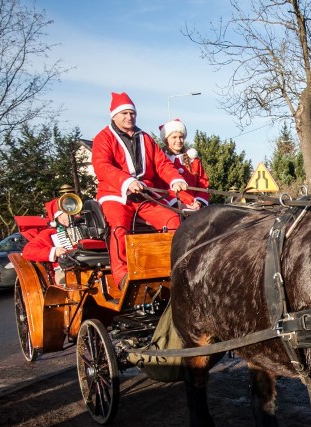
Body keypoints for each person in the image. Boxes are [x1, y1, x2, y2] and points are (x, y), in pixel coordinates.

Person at [91, 92, 199, 290]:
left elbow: (162, 163)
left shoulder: (145, 138)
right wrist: (126, 181)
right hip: (116, 194)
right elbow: (102, 166)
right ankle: (122, 274)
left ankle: (172, 266)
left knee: (172, 220)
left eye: (132, 113)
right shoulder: (103, 138)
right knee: (119, 227)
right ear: (114, 116)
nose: (129, 117)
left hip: (145, 195)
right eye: (124, 113)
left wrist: (175, 179)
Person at [21, 199, 81, 285]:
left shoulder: (84, 227)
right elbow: (28, 251)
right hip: (64, 270)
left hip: (89, 265)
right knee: (65, 280)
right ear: (59, 217)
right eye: (69, 213)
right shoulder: (48, 233)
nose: (74, 216)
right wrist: (54, 251)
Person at [157, 118, 211, 207]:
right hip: (170, 206)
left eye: (181, 137)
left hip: (195, 206)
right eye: (174, 137)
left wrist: (199, 202)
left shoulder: (194, 160)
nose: (179, 140)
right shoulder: (161, 160)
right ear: (166, 140)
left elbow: (203, 185)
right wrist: (177, 204)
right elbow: (159, 187)